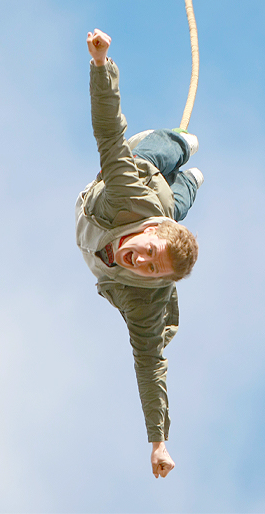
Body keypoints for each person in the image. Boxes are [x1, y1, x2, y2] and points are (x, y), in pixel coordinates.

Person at [76, 29, 203, 478]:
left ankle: (193, 180)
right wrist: (101, 66)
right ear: (150, 231)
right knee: (159, 153)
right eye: (149, 252)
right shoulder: (134, 197)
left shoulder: (147, 298)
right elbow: (109, 133)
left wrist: (158, 441)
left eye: (151, 268)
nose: (140, 261)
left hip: (164, 210)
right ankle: (184, 148)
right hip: (137, 183)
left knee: (180, 200)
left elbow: (150, 366)